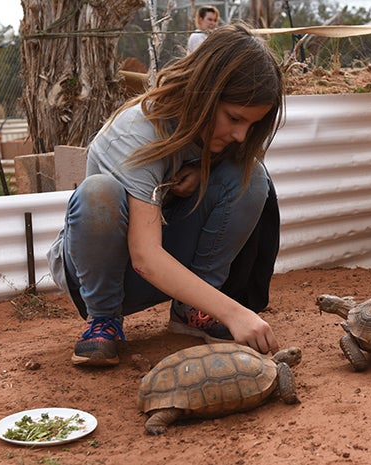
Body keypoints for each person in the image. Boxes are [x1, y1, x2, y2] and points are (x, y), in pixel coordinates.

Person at [46, 23, 284, 367]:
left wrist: (204, 170)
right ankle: (103, 319)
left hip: (164, 268)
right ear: (204, 93)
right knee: (100, 192)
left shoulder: (214, 135)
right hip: (97, 275)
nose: (240, 135)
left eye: (250, 125)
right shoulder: (136, 131)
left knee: (251, 176)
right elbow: (144, 256)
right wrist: (235, 312)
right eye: (234, 118)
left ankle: (194, 309)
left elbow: (229, 175)